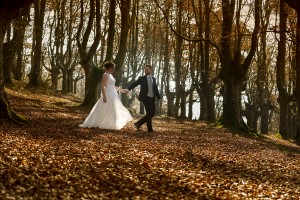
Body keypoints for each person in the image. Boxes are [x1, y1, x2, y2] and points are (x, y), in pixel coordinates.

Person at [80, 61, 132, 130]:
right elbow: (103, 85)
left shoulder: (110, 75)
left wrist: (122, 90)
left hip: (113, 94)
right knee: (105, 108)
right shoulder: (105, 75)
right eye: (113, 68)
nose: (114, 70)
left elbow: (113, 86)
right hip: (108, 93)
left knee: (113, 108)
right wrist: (104, 96)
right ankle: (102, 122)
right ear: (109, 68)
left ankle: (112, 123)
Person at [124, 64, 161, 132]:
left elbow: (155, 89)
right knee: (149, 113)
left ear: (150, 70)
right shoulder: (142, 78)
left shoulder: (153, 79)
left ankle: (138, 123)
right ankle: (150, 130)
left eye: (147, 69)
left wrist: (159, 97)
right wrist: (128, 89)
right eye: (145, 69)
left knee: (152, 114)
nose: (146, 70)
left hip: (152, 97)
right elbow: (135, 83)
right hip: (145, 97)